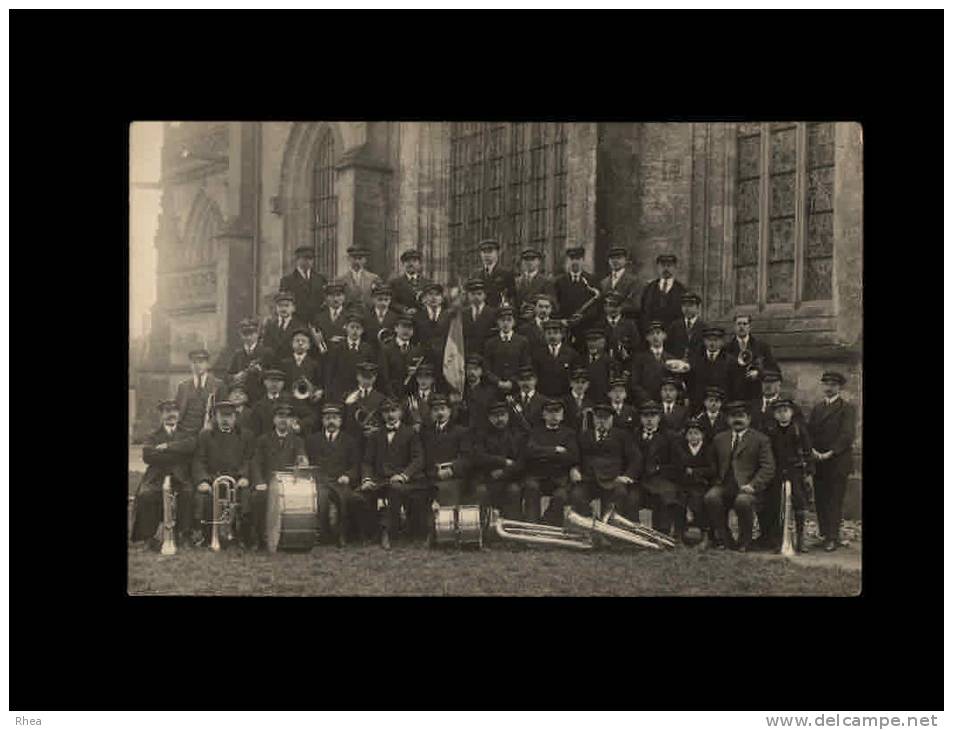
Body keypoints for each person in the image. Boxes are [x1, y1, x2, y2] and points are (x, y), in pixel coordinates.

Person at [703, 401, 776, 552]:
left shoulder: (760, 439)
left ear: (749, 419)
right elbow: (712, 464)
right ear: (728, 420)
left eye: (741, 416)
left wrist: (753, 485)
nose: (737, 420)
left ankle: (745, 541)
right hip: (724, 485)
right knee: (711, 497)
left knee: (742, 501)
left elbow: (768, 467)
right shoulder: (719, 439)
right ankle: (725, 539)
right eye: (733, 417)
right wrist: (715, 481)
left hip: (748, 487)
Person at [359, 398, 426, 549]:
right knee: (362, 494)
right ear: (382, 415)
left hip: (406, 480)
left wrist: (404, 475)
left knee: (394, 489)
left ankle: (388, 533)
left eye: (394, 410)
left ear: (401, 413)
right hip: (381, 479)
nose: (390, 415)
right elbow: (367, 461)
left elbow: (418, 459)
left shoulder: (410, 433)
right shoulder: (375, 435)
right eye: (386, 411)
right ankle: (369, 533)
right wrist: (367, 479)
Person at [130, 400, 197, 549]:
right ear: (162, 415)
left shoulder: (186, 434)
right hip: (157, 475)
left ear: (179, 414)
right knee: (146, 495)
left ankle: (184, 535)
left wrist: (167, 447)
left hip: (180, 475)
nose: (171, 414)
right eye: (167, 411)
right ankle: (149, 537)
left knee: (188, 493)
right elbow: (148, 456)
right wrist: (178, 454)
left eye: (174, 411)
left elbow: (191, 447)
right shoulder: (153, 435)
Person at [191, 399, 255, 548]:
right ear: (216, 417)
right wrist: (203, 480)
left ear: (235, 417)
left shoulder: (246, 435)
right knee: (203, 497)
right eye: (222, 416)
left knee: (247, 497)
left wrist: (244, 476)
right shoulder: (205, 435)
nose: (225, 420)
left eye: (229, 416)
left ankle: (243, 537)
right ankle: (207, 537)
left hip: (236, 479)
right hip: (213, 478)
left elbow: (248, 459)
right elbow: (199, 460)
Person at [249, 399, 309, 550]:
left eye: (287, 417)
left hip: (290, 484)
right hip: (268, 483)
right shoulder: (263, 439)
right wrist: (259, 482)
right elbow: (256, 463)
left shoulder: (297, 440)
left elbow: (302, 457)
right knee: (258, 498)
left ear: (292, 420)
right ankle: (258, 537)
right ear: (274, 419)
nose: (283, 420)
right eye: (280, 416)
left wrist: (302, 463)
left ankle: (291, 536)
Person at [807, 371, 856, 552]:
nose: (829, 387)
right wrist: (812, 450)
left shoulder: (846, 408)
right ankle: (824, 534)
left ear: (839, 387)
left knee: (834, 500)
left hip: (837, 461)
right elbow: (809, 432)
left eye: (833, 384)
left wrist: (830, 452)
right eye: (826, 384)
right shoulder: (817, 408)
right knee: (820, 499)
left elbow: (847, 435)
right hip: (819, 461)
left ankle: (832, 538)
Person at [305, 403, 362, 547]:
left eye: (335, 418)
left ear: (340, 421)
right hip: (320, 480)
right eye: (327, 418)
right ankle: (323, 535)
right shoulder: (313, 440)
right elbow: (308, 462)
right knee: (321, 499)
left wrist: (348, 476)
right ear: (323, 421)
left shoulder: (350, 441)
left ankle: (341, 534)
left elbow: (355, 465)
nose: (331, 421)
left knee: (344, 499)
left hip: (340, 481)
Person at [572, 403, 642, 519]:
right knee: (577, 495)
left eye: (605, 418)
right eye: (599, 418)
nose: (601, 421)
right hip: (589, 480)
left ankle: (610, 528)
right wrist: (574, 469)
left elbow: (636, 458)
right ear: (594, 419)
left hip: (613, 480)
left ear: (611, 419)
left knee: (620, 495)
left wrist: (627, 476)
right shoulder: (584, 436)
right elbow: (575, 456)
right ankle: (587, 524)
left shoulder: (622, 436)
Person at [767, 397, 814, 554]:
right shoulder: (771, 431)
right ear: (775, 415)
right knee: (776, 505)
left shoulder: (799, 430)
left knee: (799, 503)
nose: (782, 415)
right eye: (779, 412)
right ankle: (778, 540)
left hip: (796, 471)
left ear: (792, 413)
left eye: (785, 411)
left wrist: (808, 473)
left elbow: (808, 453)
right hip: (777, 472)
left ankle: (800, 539)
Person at [524, 399, 583, 524]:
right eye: (550, 412)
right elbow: (530, 452)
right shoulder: (535, 432)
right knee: (531, 488)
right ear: (544, 415)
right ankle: (531, 526)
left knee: (561, 496)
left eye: (557, 412)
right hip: (538, 476)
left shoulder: (569, 434)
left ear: (562, 416)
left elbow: (572, 456)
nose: (554, 416)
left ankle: (547, 523)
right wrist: (555, 450)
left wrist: (543, 454)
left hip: (560, 478)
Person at [472, 402, 527, 521]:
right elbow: (479, 457)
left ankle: (513, 529)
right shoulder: (481, 435)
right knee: (481, 491)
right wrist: (504, 461)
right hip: (488, 478)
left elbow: (521, 462)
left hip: (511, 478)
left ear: (508, 416)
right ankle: (485, 530)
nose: (499, 419)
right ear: (489, 418)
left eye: (502, 415)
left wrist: (504, 472)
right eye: (495, 416)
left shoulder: (517, 435)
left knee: (514, 490)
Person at [636, 400, 682, 535]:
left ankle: (662, 534)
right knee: (630, 496)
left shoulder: (670, 437)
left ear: (659, 418)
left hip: (661, 478)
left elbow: (677, 464)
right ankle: (634, 533)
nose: (649, 420)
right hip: (639, 480)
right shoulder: (633, 435)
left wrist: (658, 469)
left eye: (653, 416)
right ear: (640, 418)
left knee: (665, 494)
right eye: (645, 416)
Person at [421, 394, 472, 508]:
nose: (440, 413)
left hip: (453, 477)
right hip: (430, 476)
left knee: (445, 491)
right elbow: (422, 456)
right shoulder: (425, 433)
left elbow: (466, 458)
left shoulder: (461, 432)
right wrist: (433, 472)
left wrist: (451, 469)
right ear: (431, 413)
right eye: (435, 410)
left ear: (449, 411)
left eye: (443, 409)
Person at [672, 418, 715, 546]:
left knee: (698, 502)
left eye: (696, 433)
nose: (693, 437)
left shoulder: (708, 448)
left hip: (702, 484)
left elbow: (712, 469)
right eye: (690, 433)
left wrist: (695, 471)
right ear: (685, 436)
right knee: (679, 502)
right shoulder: (681, 448)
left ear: (702, 435)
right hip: (684, 484)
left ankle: (705, 534)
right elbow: (677, 467)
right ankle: (679, 534)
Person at [725, 313, 780, 402]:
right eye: (738, 324)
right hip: (734, 397)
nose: (741, 327)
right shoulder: (726, 348)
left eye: (744, 324)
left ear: (750, 327)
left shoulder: (762, 347)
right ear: (734, 327)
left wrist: (759, 373)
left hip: (755, 396)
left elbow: (775, 370)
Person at [554, 245, 601, 348]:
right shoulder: (559, 281)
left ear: (583, 260)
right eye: (572, 259)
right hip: (565, 328)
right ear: (568, 261)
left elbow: (597, 307)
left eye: (578, 259)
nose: (575, 262)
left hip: (585, 328)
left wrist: (583, 317)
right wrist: (562, 320)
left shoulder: (592, 280)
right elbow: (555, 304)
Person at [175, 348, 227, 434]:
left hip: (208, 432)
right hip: (184, 430)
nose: (197, 365)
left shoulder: (218, 385)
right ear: (190, 365)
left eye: (201, 362)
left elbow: (222, 412)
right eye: (194, 362)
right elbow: (177, 411)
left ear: (208, 364)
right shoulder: (183, 386)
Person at [325, 311, 375, 401]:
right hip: (339, 392)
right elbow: (330, 372)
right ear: (346, 328)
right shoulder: (337, 348)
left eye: (358, 328)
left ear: (362, 330)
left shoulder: (368, 349)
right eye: (352, 327)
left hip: (359, 391)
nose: (355, 331)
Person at [483, 306, 532, 396]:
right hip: (495, 389)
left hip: (516, 388)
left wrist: (513, 381)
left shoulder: (522, 341)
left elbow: (525, 365)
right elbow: (486, 368)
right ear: (497, 322)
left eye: (509, 320)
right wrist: (498, 382)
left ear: (514, 322)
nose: (505, 323)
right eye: (502, 320)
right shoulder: (490, 343)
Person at [629, 321, 679, 407]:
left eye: (658, 333)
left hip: (666, 404)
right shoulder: (639, 359)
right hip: (645, 404)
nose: (655, 336)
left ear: (664, 336)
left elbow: (675, 382)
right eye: (652, 334)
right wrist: (647, 399)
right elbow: (634, 383)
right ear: (647, 338)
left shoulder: (672, 359)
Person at [226, 317, 274, 405]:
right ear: (240, 335)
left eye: (251, 334)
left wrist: (260, 371)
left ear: (257, 334)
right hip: (241, 399)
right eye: (245, 334)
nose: (248, 337)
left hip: (260, 397)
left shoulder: (266, 352)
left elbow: (273, 376)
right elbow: (228, 376)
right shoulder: (238, 354)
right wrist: (235, 377)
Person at [378, 315, 427, 397]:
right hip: (391, 395)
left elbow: (422, 378)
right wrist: (392, 396)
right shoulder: (386, 349)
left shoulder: (417, 351)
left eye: (410, 328)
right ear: (396, 328)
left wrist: (415, 373)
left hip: (411, 396)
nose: (406, 331)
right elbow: (384, 377)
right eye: (403, 327)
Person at [639, 253, 687, 337]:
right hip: (651, 335)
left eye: (669, 265)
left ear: (675, 268)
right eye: (662, 265)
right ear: (657, 268)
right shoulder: (649, 289)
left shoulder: (682, 291)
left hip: (674, 336)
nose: (666, 268)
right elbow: (643, 312)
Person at [533, 319, 581, 398]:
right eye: (549, 333)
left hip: (565, 397)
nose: (552, 336)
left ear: (562, 335)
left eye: (556, 333)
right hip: (544, 396)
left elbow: (574, 377)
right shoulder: (537, 354)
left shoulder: (572, 354)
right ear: (544, 335)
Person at [280, 245, 327, 326]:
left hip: (316, 323)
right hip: (296, 322)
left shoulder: (320, 279)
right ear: (297, 259)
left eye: (311, 259)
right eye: (305, 258)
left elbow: (323, 301)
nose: (308, 261)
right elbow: (285, 303)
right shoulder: (287, 281)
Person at [688, 325, 732, 411]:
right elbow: (691, 385)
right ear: (704, 341)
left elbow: (733, 388)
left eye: (715, 340)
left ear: (722, 342)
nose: (712, 343)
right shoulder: (695, 361)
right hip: (699, 407)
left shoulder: (730, 362)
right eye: (709, 340)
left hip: (722, 407)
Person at [342, 361, 388, 443]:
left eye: (369, 377)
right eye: (364, 377)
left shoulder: (381, 398)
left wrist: (377, 430)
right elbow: (343, 420)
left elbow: (385, 422)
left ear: (375, 378)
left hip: (373, 442)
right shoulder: (347, 396)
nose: (366, 380)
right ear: (357, 377)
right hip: (352, 441)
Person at [280, 327, 324, 407]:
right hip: (289, 404)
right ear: (292, 344)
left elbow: (319, 384)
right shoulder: (284, 364)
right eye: (297, 341)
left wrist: (316, 392)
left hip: (308, 404)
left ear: (309, 345)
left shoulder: (315, 364)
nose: (300, 343)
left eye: (304, 341)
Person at [262, 291, 308, 361]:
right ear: (276, 308)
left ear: (293, 308)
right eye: (280, 306)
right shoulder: (270, 326)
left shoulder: (300, 326)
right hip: (273, 367)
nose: (283, 309)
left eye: (287, 306)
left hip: (291, 366)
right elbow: (266, 346)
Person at [458, 354, 497, 434]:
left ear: (481, 371)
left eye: (475, 369)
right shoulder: (461, 391)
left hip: (484, 434)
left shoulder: (490, 392)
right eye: (468, 369)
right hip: (464, 434)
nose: (471, 372)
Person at [414, 282, 452, 364]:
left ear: (442, 298)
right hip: (424, 360)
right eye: (430, 294)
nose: (433, 298)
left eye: (437, 294)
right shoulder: (417, 316)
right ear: (424, 298)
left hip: (444, 359)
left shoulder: (449, 317)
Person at [599, 246, 640, 319]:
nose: (615, 261)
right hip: (607, 323)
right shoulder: (604, 282)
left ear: (625, 260)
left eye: (619, 258)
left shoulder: (634, 281)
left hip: (627, 321)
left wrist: (618, 309)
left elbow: (635, 303)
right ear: (608, 261)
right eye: (612, 258)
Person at [602, 291, 640, 368]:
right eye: (610, 306)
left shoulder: (630, 325)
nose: (613, 309)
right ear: (604, 307)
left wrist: (628, 355)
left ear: (621, 307)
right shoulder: (599, 325)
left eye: (617, 306)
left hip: (625, 365)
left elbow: (637, 347)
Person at [475, 238, 516, 308]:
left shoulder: (506, 274)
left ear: (497, 253)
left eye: (490, 251)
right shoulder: (476, 275)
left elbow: (512, 297)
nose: (486, 255)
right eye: (484, 252)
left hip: (499, 313)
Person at [389, 249, 432, 316]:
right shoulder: (394, 283)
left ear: (420, 264)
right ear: (403, 264)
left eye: (414, 261)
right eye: (407, 261)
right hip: (403, 320)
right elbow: (391, 302)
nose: (411, 264)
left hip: (423, 320)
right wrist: (404, 309)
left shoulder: (428, 283)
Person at [338, 245, 383, 310]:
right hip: (348, 315)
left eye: (360, 258)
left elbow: (379, 298)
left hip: (368, 314)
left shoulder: (374, 278)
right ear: (348, 259)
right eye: (354, 258)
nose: (357, 262)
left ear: (365, 260)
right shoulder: (341, 279)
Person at [461, 278, 497, 358]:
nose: (476, 297)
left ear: (485, 295)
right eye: (473, 294)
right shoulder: (462, 314)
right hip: (468, 356)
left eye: (479, 294)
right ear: (468, 295)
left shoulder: (493, 313)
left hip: (487, 355)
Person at [665, 291, 706, 361]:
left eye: (690, 305)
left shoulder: (704, 328)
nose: (687, 309)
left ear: (698, 307)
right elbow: (667, 347)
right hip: (676, 365)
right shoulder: (674, 326)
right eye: (684, 305)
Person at [514, 248, 557, 314]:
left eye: (533, 259)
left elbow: (553, 304)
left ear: (539, 261)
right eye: (526, 259)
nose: (529, 262)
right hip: (519, 319)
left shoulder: (546, 282)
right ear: (522, 262)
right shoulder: (517, 281)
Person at [248, 369, 288, 437]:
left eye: (278, 381)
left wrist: (299, 425)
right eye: (271, 381)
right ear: (265, 382)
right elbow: (255, 432)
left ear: (283, 383)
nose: (274, 384)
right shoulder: (258, 406)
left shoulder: (292, 401)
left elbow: (309, 417)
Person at [311, 282, 349, 351]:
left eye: (338, 295)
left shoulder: (350, 316)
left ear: (344, 297)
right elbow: (316, 341)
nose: (335, 299)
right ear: (326, 298)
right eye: (331, 296)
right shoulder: (318, 318)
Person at [363, 284, 400, 354]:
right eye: (380, 299)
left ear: (390, 300)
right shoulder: (366, 316)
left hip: (389, 354)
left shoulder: (396, 317)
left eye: (386, 300)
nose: (383, 303)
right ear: (373, 299)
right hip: (369, 353)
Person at [581, 328, 613, 406]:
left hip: (603, 403)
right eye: (589, 340)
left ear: (603, 342)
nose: (591, 344)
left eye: (595, 340)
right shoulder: (580, 361)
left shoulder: (610, 362)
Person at [510, 365, 545, 431]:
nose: (525, 383)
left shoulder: (544, 401)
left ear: (535, 380)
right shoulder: (511, 400)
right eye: (522, 380)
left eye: (529, 379)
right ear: (517, 381)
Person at [563, 367, 595, 432]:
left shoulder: (591, 403)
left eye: (583, 382)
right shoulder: (563, 401)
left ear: (588, 384)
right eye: (577, 382)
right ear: (571, 383)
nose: (580, 385)